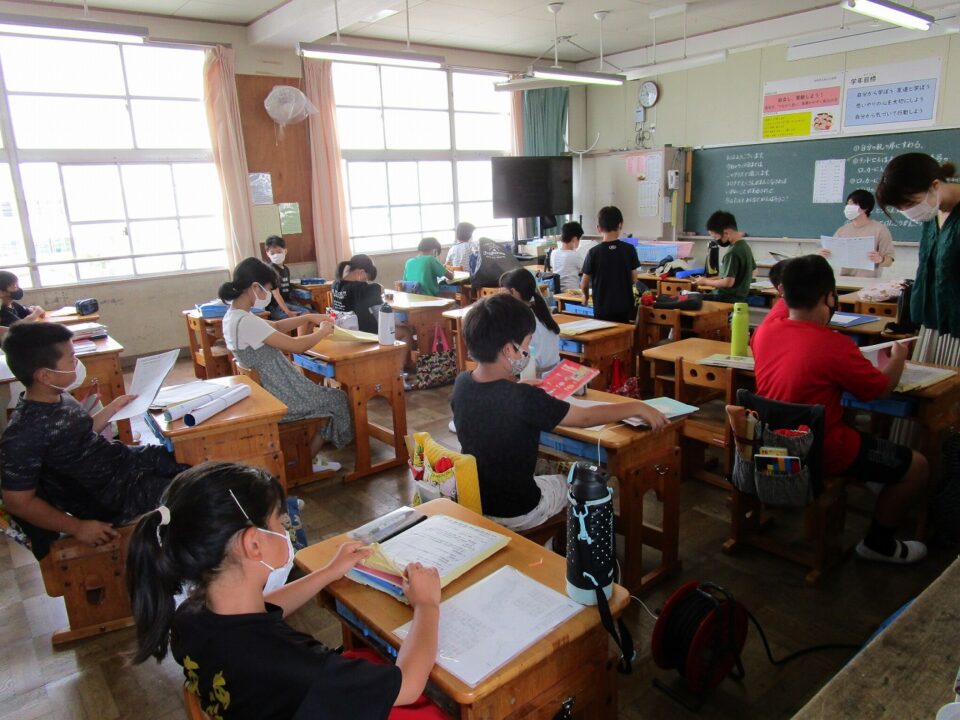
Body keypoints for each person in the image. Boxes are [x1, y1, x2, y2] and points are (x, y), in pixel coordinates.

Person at [127, 461, 444, 720]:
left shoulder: (189, 617)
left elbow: (263, 608)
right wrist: (426, 604)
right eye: (280, 522)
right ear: (254, 543)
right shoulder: (294, 666)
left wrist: (326, 573)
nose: (286, 529)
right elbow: (408, 686)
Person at [752, 255, 928, 564]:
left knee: (853, 431)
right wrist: (899, 357)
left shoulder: (764, 332)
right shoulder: (834, 345)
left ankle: (875, 478)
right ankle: (878, 544)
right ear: (829, 298)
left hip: (770, 444)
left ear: (783, 293)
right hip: (820, 453)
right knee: (918, 466)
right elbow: (880, 390)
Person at [451, 295, 668, 531]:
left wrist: (518, 387)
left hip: (475, 500)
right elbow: (584, 418)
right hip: (518, 511)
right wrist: (636, 406)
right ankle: (577, 542)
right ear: (508, 350)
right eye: (527, 344)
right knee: (582, 480)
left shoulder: (462, 384)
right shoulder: (524, 398)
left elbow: (493, 403)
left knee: (545, 467)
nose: (528, 351)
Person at [0, 322, 188, 557]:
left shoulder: (56, 395)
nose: (76, 363)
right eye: (71, 358)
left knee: (190, 456)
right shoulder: (23, 433)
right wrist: (78, 527)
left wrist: (112, 408)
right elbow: (17, 502)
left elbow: (80, 434)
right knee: (196, 492)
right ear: (45, 375)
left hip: (125, 463)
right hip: (114, 496)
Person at [220, 259, 352, 472]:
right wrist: (322, 331)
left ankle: (304, 456)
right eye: (268, 290)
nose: (268, 295)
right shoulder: (246, 321)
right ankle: (305, 463)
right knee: (337, 399)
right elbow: (296, 346)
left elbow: (277, 326)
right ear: (255, 287)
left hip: (270, 388)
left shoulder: (234, 316)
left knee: (327, 396)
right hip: (279, 393)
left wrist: (308, 317)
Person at [876, 153, 960, 362]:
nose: (907, 212)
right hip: (934, 324)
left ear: (935, 186)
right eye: (900, 208)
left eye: (909, 203)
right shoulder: (932, 216)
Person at [580, 206, 639, 323]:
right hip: (624, 307)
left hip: (602, 307)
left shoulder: (593, 252)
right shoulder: (629, 249)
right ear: (620, 225)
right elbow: (634, 279)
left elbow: (584, 283)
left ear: (598, 228)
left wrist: (585, 297)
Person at [820, 190, 895, 279]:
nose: (849, 207)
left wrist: (880, 259)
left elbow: (889, 261)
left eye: (853, 204)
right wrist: (824, 255)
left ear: (865, 207)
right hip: (844, 280)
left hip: (868, 282)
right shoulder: (842, 230)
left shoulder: (880, 229)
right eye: (848, 204)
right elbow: (832, 255)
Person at [499, 268, 560, 375]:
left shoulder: (520, 318)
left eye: (504, 293)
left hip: (533, 375)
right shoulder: (541, 311)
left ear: (513, 292)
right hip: (554, 371)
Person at [695, 211, 756, 303]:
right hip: (739, 298)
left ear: (726, 233)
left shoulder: (732, 252)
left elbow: (728, 282)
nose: (716, 240)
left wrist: (705, 282)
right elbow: (754, 270)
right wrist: (709, 279)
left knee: (688, 298)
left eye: (715, 237)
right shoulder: (745, 247)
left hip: (726, 299)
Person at [262, 236, 312, 320]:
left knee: (314, 313)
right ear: (267, 254)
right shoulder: (270, 270)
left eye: (279, 251)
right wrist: (288, 312)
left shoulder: (286, 269)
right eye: (272, 253)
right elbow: (276, 295)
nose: (276, 255)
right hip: (275, 307)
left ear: (285, 251)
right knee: (305, 314)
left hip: (288, 302)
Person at [331, 254, 383, 334]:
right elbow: (380, 288)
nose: (366, 282)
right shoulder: (359, 288)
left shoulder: (335, 284)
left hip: (343, 331)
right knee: (403, 330)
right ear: (361, 272)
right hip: (365, 333)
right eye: (366, 278)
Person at [550, 222, 584, 292]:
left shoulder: (554, 253)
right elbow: (586, 270)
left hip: (557, 293)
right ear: (574, 239)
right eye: (579, 239)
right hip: (572, 293)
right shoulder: (575, 255)